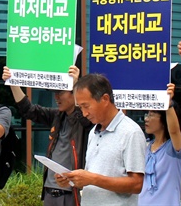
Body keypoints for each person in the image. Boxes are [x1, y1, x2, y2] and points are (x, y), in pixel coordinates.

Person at [2, 65, 92, 206]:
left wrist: (76, 84)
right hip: (50, 191)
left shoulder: (84, 119)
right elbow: (29, 110)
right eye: (54, 92)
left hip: (72, 192)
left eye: (60, 92)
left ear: (72, 93)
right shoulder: (56, 116)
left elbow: (84, 119)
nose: (56, 97)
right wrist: (13, 82)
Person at [55, 74, 145, 206]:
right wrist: (71, 179)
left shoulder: (131, 132)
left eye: (86, 106)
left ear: (105, 99)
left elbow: (137, 184)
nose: (84, 113)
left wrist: (92, 179)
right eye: (80, 107)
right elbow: (91, 180)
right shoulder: (94, 132)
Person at [138, 84, 181, 206]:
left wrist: (168, 104)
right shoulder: (146, 147)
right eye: (146, 114)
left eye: (151, 115)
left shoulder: (174, 147)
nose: (146, 119)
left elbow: (174, 131)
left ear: (164, 118)